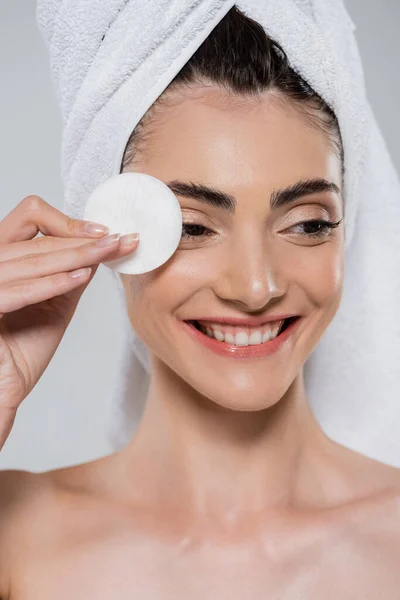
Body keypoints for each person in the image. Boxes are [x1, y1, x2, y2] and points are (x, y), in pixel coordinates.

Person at [1, 6, 400, 598]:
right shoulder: (18, 541)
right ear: (107, 235)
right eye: (191, 227)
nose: (256, 286)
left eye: (308, 224)